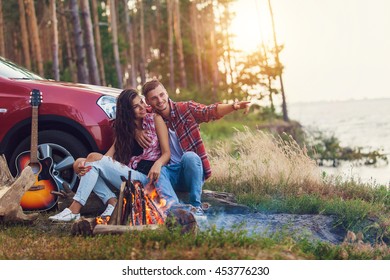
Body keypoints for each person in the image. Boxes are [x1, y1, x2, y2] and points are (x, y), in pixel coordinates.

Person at [49, 89, 179, 222]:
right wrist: (79, 164)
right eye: (136, 106)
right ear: (127, 111)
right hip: (130, 178)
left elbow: (167, 153)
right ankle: (111, 202)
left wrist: (157, 164)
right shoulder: (124, 130)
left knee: (92, 159)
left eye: (141, 102)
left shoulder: (155, 119)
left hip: (148, 180)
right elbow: (107, 158)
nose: (142, 108)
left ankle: (74, 210)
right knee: (85, 162)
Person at [138, 79, 250, 215]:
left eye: (162, 95)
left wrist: (234, 106)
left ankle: (196, 207)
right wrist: (136, 131)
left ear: (166, 93)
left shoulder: (185, 109)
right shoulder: (148, 116)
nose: (160, 100)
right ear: (148, 101)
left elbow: (209, 111)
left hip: (191, 172)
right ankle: (177, 210)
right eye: (154, 98)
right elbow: (121, 120)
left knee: (189, 156)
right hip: (171, 173)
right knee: (158, 172)